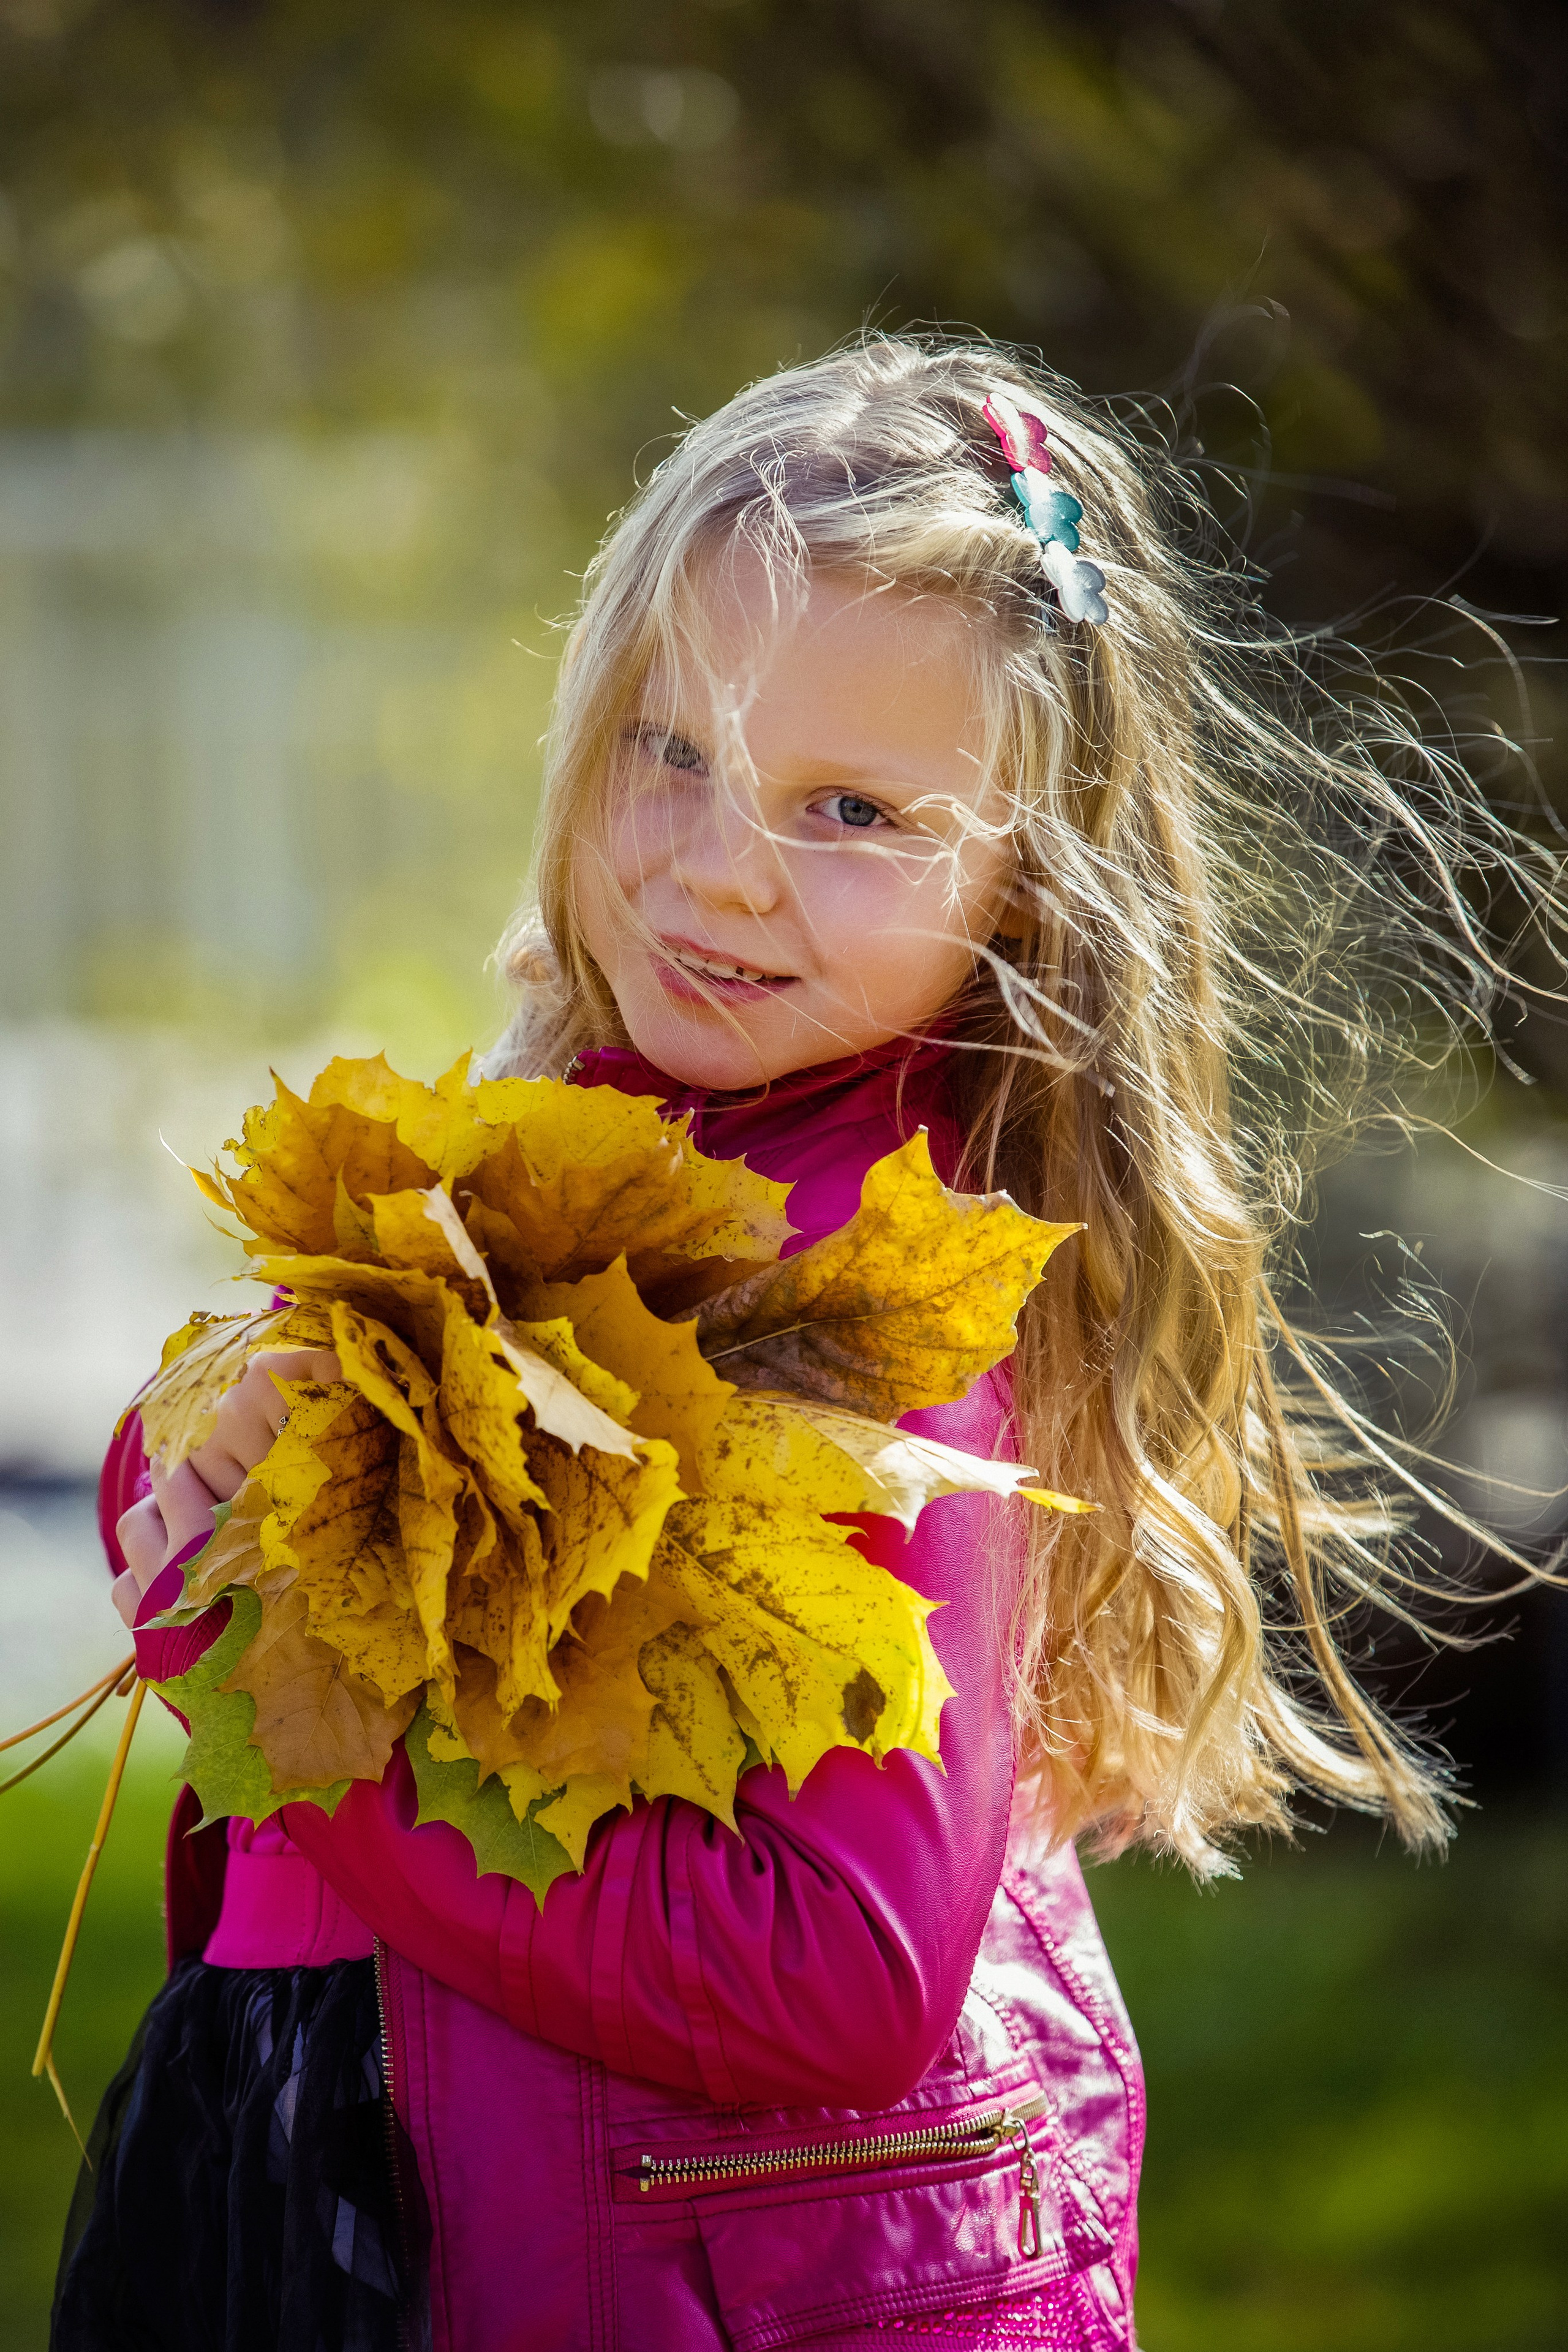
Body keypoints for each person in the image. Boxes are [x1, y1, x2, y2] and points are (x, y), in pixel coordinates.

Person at [53, 335, 1545, 2352]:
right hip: (382, 2176)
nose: (721, 865)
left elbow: (832, 1979)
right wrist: (203, 1459)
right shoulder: (587, 1140)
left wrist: (283, 1705)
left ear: (1028, 873)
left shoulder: (873, 1299)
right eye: (670, 750)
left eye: (849, 807)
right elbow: (276, 1526)